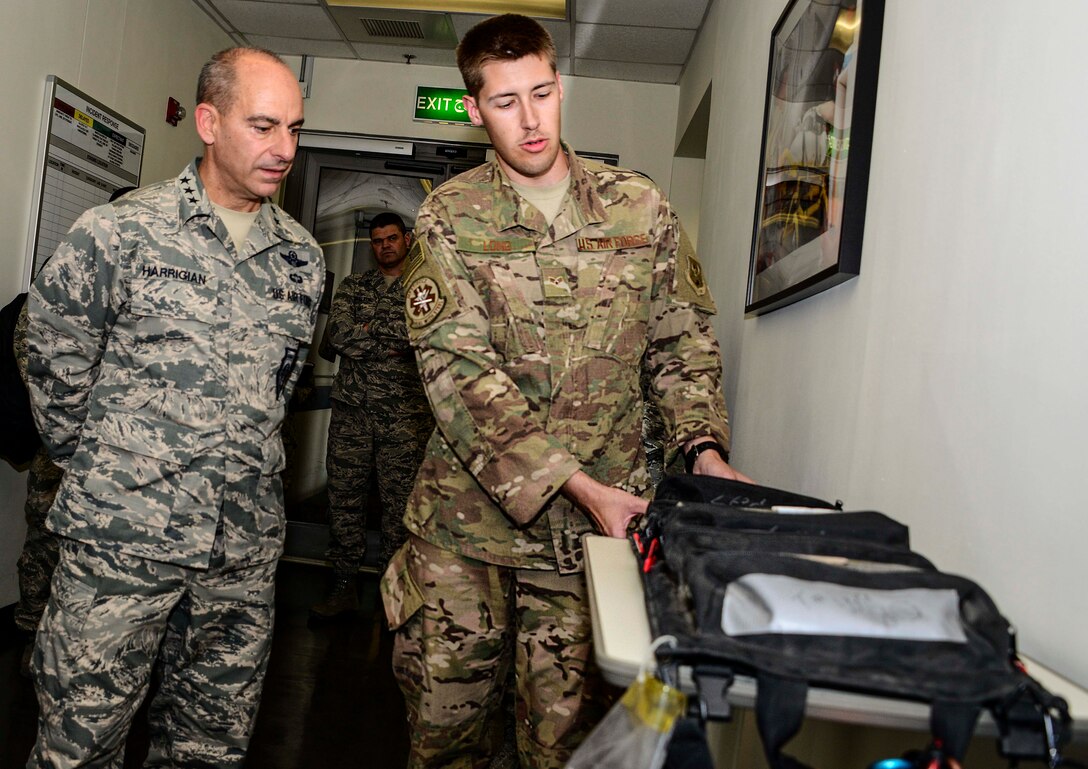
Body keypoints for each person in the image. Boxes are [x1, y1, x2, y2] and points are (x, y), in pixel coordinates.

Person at [381, 14, 753, 769]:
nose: (529, 120)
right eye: (505, 102)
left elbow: (679, 342)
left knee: (570, 751)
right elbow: (459, 374)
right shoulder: (448, 218)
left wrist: (703, 447)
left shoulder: (640, 210)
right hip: (464, 538)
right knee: (445, 744)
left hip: (593, 549)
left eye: (542, 94)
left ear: (561, 85)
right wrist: (579, 484)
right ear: (476, 109)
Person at [24, 47, 324, 767]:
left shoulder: (302, 260)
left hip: (240, 561)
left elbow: (279, 390)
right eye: (263, 126)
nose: (284, 148)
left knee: (208, 749)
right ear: (209, 122)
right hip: (121, 547)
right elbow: (50, 353)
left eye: (295, 128)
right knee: (79, 745)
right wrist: (96, 465)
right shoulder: (120, 231)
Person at [310, 211, 435, 621]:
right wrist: (386, 341)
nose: (385, 245)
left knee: (400, 508)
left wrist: (367, 336)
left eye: (392, 238)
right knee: (344, 500)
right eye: (378, 240)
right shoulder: (354, 286)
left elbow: (418, 337)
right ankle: (342, 587)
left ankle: (392, 596)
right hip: (352, 415)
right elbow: (337, 336)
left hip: (404, 417)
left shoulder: (425, 288)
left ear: (408, 239)